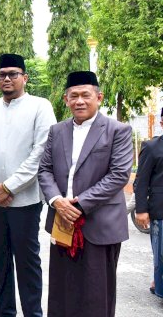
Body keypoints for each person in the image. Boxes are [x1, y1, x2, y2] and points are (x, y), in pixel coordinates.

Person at [38, 71, 132, 317]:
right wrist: (57, 201)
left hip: (100, 225)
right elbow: (45, 170)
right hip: (62, 223)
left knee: (96, 295)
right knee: (61, 291)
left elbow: (118, 175)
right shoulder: (56, 131)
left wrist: (78, 206)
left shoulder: (117, 130)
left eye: (86, 95)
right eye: (74, 96)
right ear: (66, 99)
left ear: (99, 97)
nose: (80, 101)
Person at [0, 53, 56, 317]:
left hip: (25, 201)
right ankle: (5, 312)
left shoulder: (40, 106)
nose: (7, 79)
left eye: (13, 74)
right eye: (2, 74)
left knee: (27, 261)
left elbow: (42, 151)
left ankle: (33, 313)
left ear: (25, 77)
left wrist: (9, 187)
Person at [134, 107, 163, 297]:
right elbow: (141, 181)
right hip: (160, 211)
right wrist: (141, 210)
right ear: (161, 122)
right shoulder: (152, 147)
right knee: (161, 254)